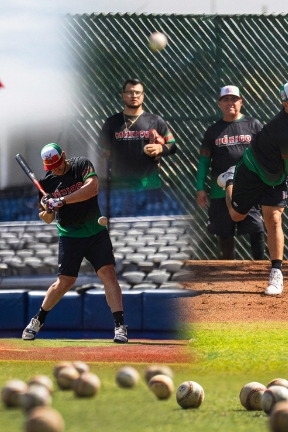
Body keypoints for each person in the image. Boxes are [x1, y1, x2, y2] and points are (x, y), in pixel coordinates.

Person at [22, 143, 127, 343]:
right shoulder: (47, 184)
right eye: (52, 167)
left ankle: (120, 326)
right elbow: (47, 218)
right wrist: (47, 207)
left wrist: (61, 200)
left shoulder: (81, 165)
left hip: (95, 232)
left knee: (108, 274)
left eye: (59, 163)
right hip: (70, 235)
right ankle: (37, 320)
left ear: (64, 155)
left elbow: (92, 189)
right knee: (65, 281)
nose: (57, 169)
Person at [218, 80, 288, 296]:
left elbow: (287, 161)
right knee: (236, 216)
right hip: (251, 171)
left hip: (274, 176)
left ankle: (276, 273)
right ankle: (230, 178)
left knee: (274, 219)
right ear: (285, 104)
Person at [196, 85, 266, 260]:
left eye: (234, 99)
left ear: (241, 102)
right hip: (221, 192)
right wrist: (200, 189)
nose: (230, 103)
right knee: (225, 235)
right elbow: (204, 162)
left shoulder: (253, 125)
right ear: (219, 104)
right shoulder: (213, 131)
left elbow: (266, 155)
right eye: (225, 100)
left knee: (257, 230)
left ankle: (261, 270)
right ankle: (229, 272)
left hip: (250, 190)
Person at [98, 78, 178, 211]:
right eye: (129, 92)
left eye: (138, 93)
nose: (134, 96)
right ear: (122, 95)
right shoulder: (112, 123)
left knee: (152, 229)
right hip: (120, 188)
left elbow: (173, 146)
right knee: (120, 229)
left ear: (143, 96)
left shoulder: (155, 121)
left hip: (149, 187)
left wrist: (160, 148)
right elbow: (103, 156)